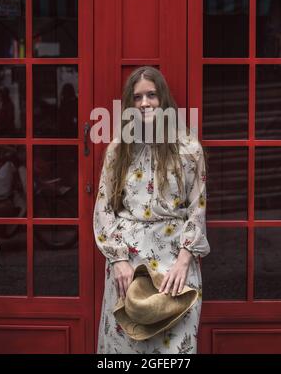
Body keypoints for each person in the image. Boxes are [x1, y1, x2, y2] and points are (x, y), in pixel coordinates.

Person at [93, 66, 210, 354]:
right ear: (129, 104)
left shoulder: (188, 148)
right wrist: (118, 259)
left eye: (152, 95)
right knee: (125, 351)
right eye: (137, 97)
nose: (144, 103)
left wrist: (185, 259)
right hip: (128, 265)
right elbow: (103, 208)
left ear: (164, 99)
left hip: (175, 265)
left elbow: (198, 208)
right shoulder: (119, 150)